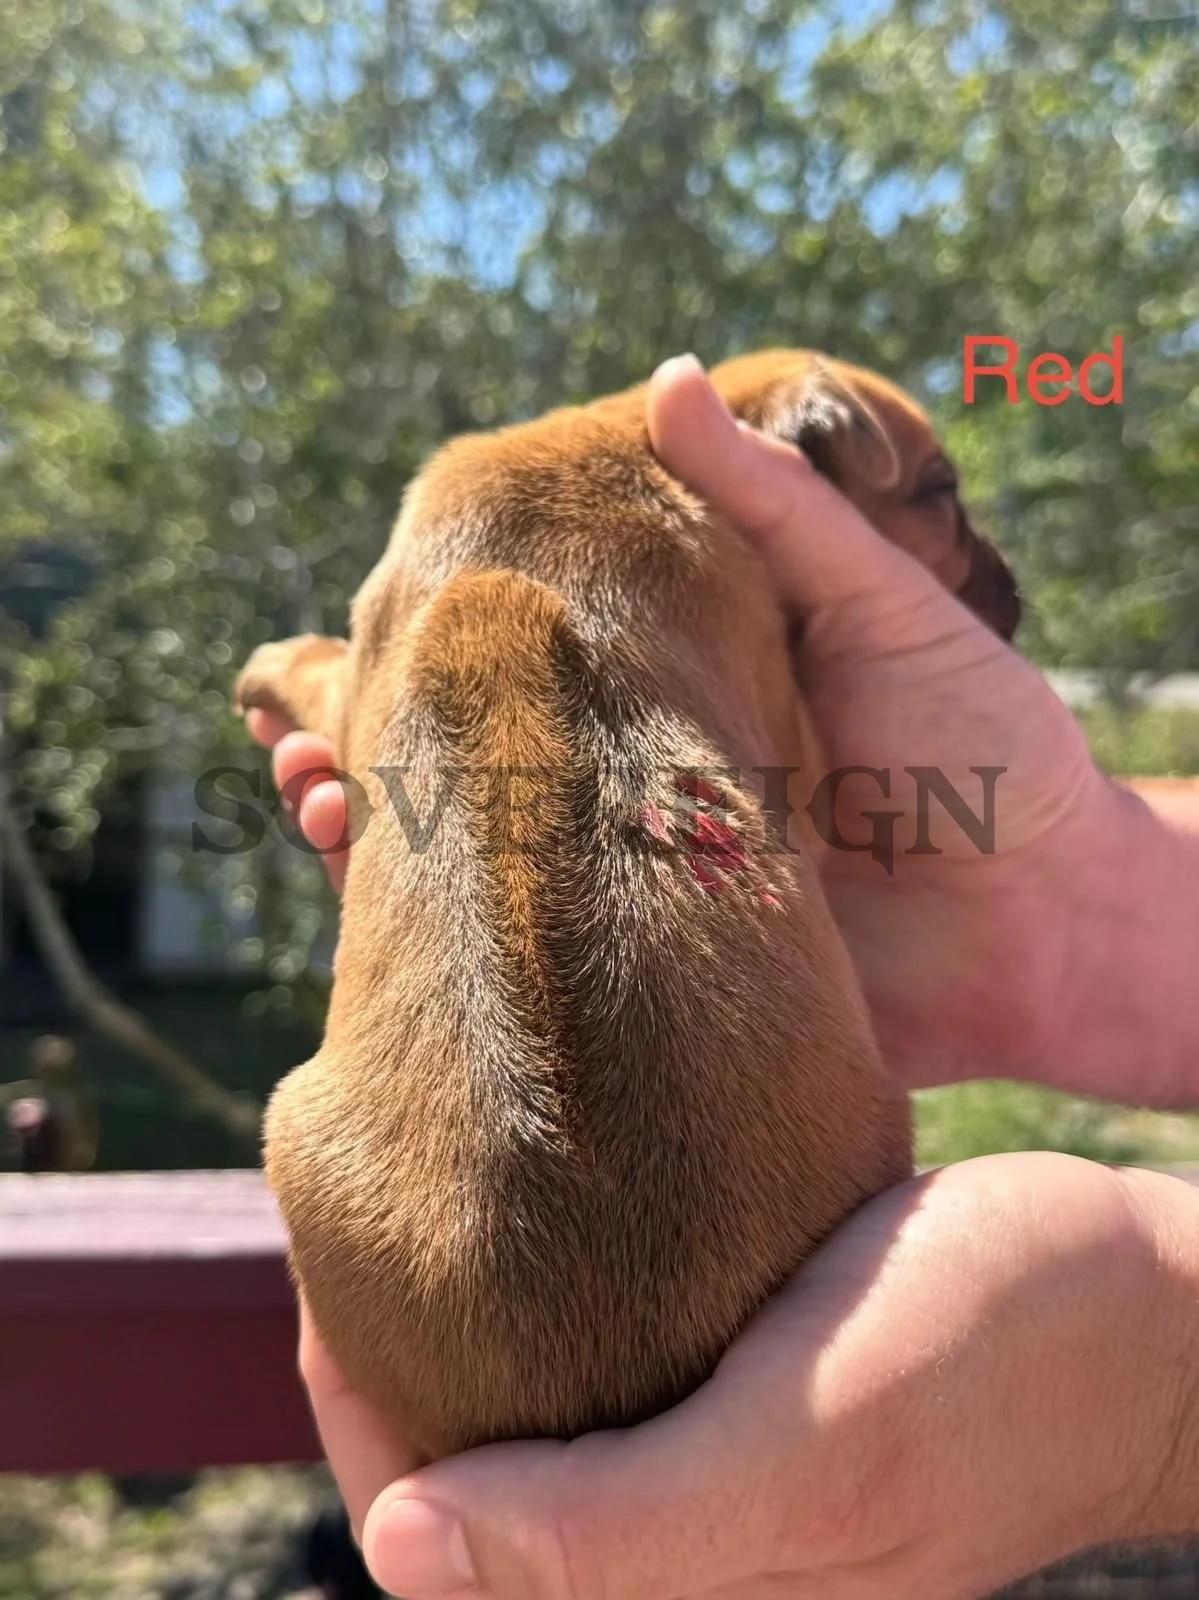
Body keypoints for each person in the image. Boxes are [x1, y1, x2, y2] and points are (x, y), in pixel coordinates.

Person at [245, 354, 1199, 1600]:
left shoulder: (431, 540)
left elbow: (341, 696)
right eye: (938, 499)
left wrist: (1166, 1387)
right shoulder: (704, 551)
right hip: (783, 1262)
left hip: (436, 1333)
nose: (975, 558)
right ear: (801, 445)